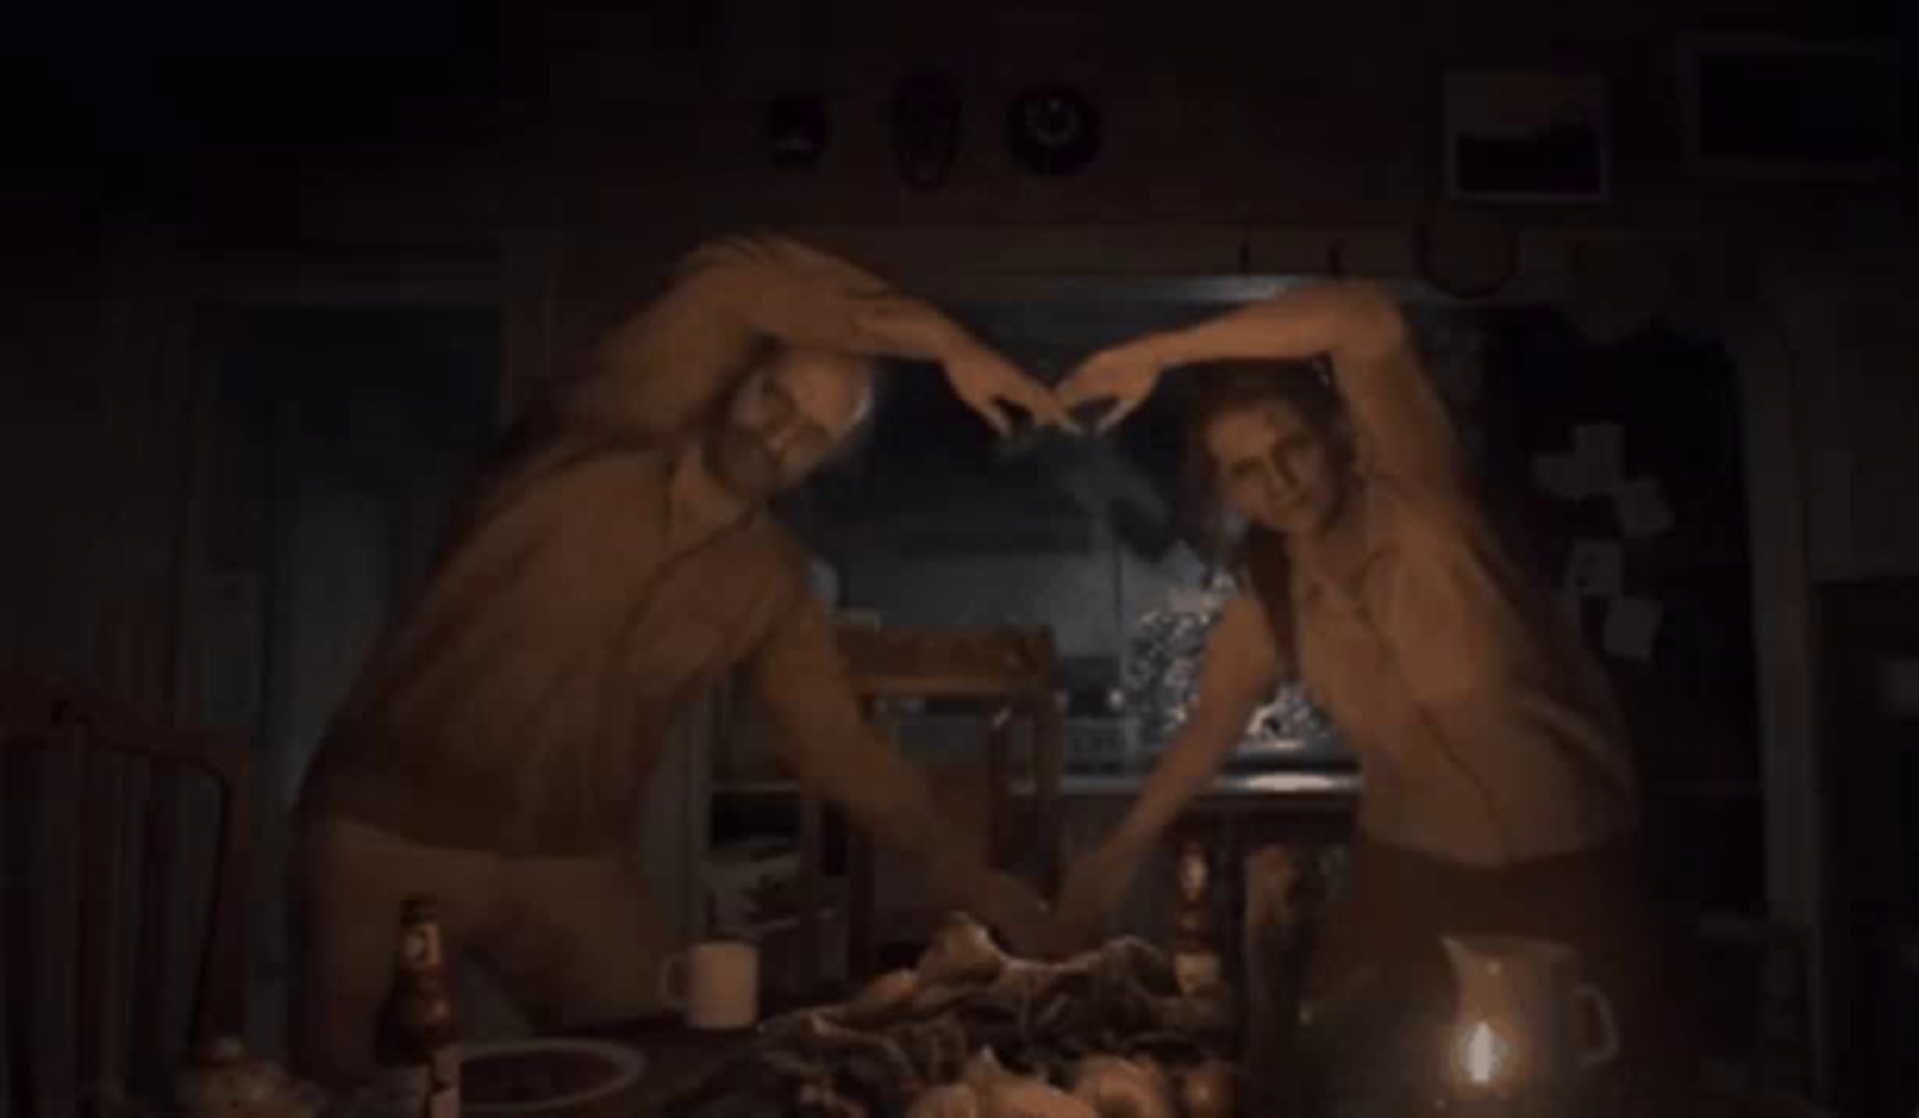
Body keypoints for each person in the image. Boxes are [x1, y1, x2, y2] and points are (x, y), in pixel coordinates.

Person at [291, 233, 1073, 1085]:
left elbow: (841, 751)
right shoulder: (588, 443)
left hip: (570, 861)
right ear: (736, 377)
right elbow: (727, 282)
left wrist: (981, 885)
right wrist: (945, 342)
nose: (780, 435)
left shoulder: (771, 580)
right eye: (775, 397)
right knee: (345, 1090)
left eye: (812, 435)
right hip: (386, 834)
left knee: (671, 1071)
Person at [1048, 280, 1690, 1105]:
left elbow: (1362, 318)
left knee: (1587, 1091)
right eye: (1246, 470)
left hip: (1567, 871)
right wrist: (1112, 858)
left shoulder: (1426, 507)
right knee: (1353, 1086)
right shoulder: (1273, 593)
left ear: (1338, 434)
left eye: (1292, 446)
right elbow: (1208, 729)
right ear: (1226, 491)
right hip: (1408, 882)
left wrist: (1156, 353)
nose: (1279, 481)